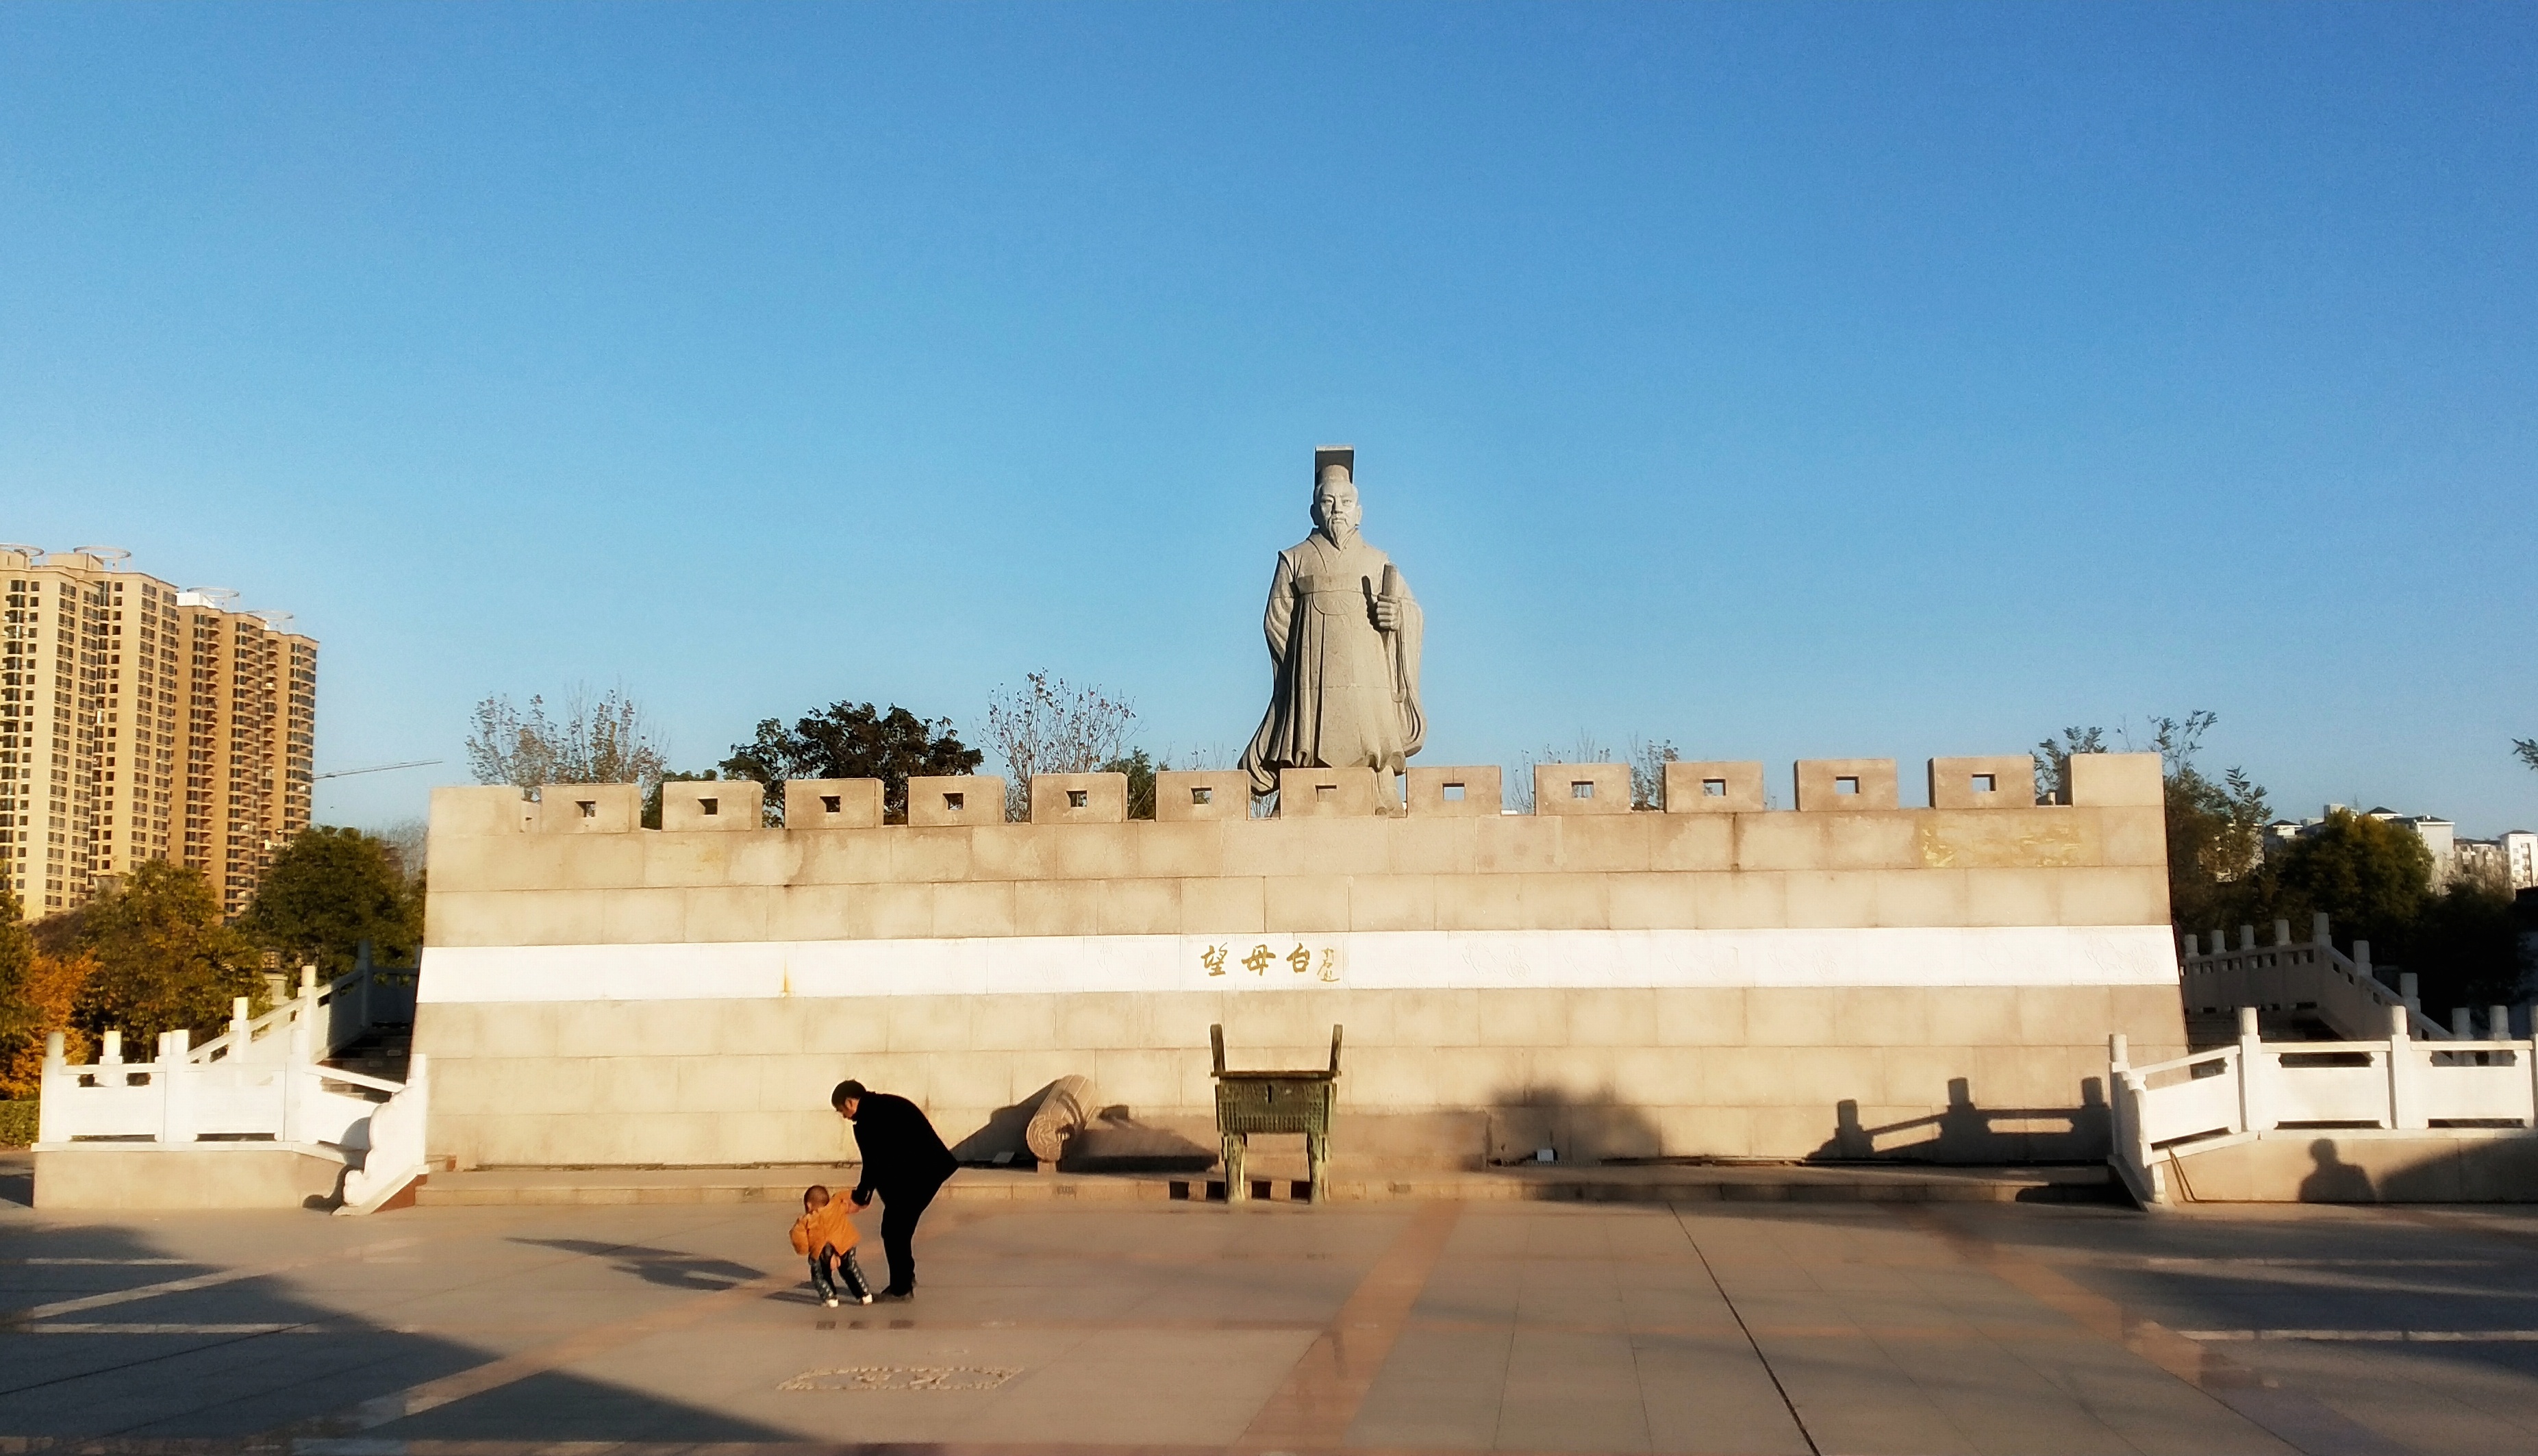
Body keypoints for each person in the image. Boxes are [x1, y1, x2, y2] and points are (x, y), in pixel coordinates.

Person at [1239, 447, 1425, 799]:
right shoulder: (1294, 559)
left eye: (1345, 501)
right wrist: (1301, 662)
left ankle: (1379, 787)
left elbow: (1412, 613)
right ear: (1314, 510)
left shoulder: (1377, 561)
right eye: (1327, 501)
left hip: (1367, 680)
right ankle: (1301, 783)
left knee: (1369, 740)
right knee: (1309, 740)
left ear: (1359, 513)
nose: (1337, 509)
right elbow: (1275, 620)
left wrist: (1397, 618)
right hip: (1311, 680)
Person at [833, 1079, 958, 1300]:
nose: (843, 1115)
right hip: (925, 1171)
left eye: (841, 1109)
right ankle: (905, 1279)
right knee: (898, 1228)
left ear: (850, 1102)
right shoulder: (889, 1104)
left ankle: (901, 1288)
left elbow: (873, 1162)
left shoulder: (867, 1121)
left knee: (894, 1230)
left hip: (919, 1175)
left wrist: (860, 1197)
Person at [788, 1183, 872, 1307]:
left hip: (823, 1249)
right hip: (846, 1244)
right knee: (850, 1268)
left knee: (820, 1274)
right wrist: (861, 1200)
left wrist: (805, 1250)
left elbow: (799, 1237)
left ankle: (830, 1298)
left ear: (808, 1205)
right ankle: (864, 1294)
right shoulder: (836, 1204)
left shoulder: (806, 1220)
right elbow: (847, 1197)